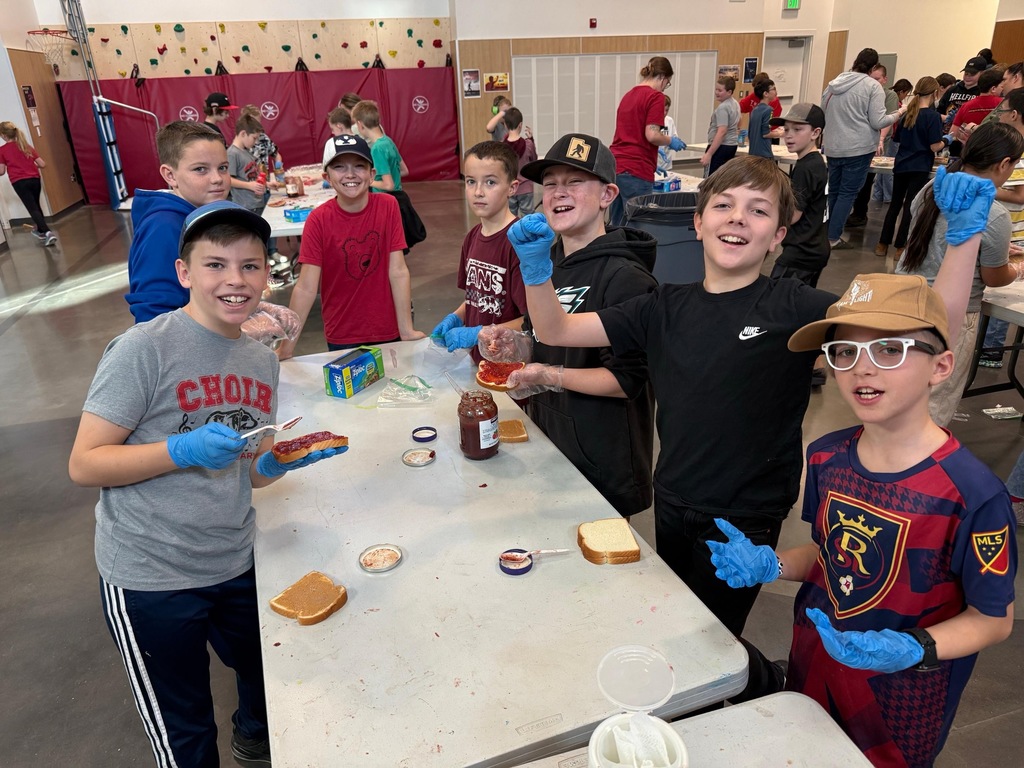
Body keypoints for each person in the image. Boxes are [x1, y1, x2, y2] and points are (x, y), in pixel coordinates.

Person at [707, 174, 1014, 765]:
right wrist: (774, 563)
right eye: (845, 351)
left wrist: (915, 647)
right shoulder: (827, 455)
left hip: (902, 699)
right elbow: (832, 555)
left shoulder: (971, 494)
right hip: (814, 663)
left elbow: (992, 620)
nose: (862, 369)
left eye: (890, 350)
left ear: (940, 366)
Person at [68, 200, 347, 768]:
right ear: (184, 273)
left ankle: (252, 735)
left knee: (264, 671)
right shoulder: (145, 349)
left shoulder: (259, 360)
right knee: (186, 731)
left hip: (233, 557)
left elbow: (246, 466)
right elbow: (85, 463)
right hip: (151, 575)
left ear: (267, 275)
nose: (234, 281)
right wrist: (179, 449)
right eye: (215, 264)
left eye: (250, 266)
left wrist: (267, 469)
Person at [509, 154, 836, 635]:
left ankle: (744, 690)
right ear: (699, 223)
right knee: (681, 618)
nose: (739, 218)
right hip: (675, 494)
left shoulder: (797, 306)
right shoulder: (664, 306)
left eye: (759, 210)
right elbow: (556, 328)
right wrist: (536, 268)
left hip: (747, 511)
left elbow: (915, 334)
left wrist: (961, 243)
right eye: (724, 205)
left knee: (716, 637)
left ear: (778, 237)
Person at [479, 133, 658, 518]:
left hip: (603, 456)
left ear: (608, 195)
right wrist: (516, 345)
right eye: (551, 184)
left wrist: (552, 374)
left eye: (575, 182)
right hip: (553, 439)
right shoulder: (547, 262)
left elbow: (628, 381)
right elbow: (543, 334)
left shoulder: (626, 277)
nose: (559, 192)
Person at [896, 122, 1023, 426]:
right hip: (950, 315)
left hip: (903, 299)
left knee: (901, 390)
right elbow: (993, 277)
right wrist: (1016, 269)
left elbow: (936, 240)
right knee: (934, 401)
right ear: (1004, 164)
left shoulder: (934, 187)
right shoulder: (993, 214)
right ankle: (917, 465)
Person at [278, 134, 424, 358]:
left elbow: (397, 270)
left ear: (371, 174)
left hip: (387, 328)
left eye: (359, 166)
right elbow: (306, 287)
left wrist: (406, 329)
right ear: (327, 176)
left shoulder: (388, 206)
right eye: (339, 167)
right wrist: (287, 346)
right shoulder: (318, 221)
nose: (350, 174)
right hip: (342, 333)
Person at [125, 120, 230, 323]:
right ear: (170, 175)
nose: (217, 178)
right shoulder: (164, 227)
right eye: (201, 169)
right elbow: (154, 315)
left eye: (223, 167)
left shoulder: (199, 215)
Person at [431, 141, 527, 359]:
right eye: (471, 182)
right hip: (479, 360)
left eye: (490, 182)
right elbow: (477, 298)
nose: (478, 192)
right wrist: (456, 316)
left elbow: (531, 320)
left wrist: (481, 333)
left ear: (512, 188)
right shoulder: (472, 237)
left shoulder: (519, 243)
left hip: (509, 364)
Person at [821, 48, 906, 249]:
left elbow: (823, 110)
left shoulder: (834, 84)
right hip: (858, 148)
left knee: (834, 191)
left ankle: (827, 234)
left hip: (833, 146)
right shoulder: (872, 87)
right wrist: (899, 113)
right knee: (847, 193)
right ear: (874, 67)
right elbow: (878, 121)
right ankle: (833, 237)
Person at [875, 77, 947, 259]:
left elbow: (898, 139)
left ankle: (882, 243)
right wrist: (947, 140)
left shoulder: (907, 114)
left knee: (894, 205)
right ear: (934, 93)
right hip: (920, 166)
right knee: (910, 206)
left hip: (902, 164)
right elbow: (934, 146)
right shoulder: (933, 117)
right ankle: (900, 247)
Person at [609, 56, 686, 226]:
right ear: (662, 78)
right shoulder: (655, 97)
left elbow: (629, 132)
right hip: (636, 169)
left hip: (617, 167)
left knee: (617, 224)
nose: (665, 87)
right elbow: (652, 134)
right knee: (638, 224)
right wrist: (669, 140)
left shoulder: (628, 95)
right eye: (667, 83)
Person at [768, 104, 830, 292]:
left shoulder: (806, 168)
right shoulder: (815, 162)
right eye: (786, 129)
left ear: (815, 132)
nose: (789, 135)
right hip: (814, 247)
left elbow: (793, 215)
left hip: (802, 252)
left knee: (776, 298)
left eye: (797, 129)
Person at [351, 99, 426, 254]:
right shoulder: (388, 141)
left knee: (388, 250)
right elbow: (404, 170)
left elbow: (388, 185)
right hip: (398, 201)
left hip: (385, 204)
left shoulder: (377, 149)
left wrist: (368, 180)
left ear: (360, 124)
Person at [847, 63, 901, 228]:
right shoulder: (864, 92)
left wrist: (880, 139)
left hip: (878, 144)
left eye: (877, 79)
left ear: (884, 79)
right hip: (860, 143)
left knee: (868, 178)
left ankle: (860, 213)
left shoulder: (889, 95)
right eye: (871, 78)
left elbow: (889, 119)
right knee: (857, 180)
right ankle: (856, 212)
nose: (873, 82)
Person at [0, 120, 56, 246]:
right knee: (36, 205)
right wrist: (30, 165)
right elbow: (42, 164)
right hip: (35, 179)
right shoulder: (25, 146)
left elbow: (1, 171)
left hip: (19, 182)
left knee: (32, 208)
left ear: (3, 135)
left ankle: (48, 232)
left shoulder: (2, 150)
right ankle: (41, 231)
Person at [227, 113, 268, 216]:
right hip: (246, 206)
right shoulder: (232, 153)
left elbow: (251, 177)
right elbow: (228, 180)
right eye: (254, 138)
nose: (256, 142)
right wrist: (249, 185)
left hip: (256, 203)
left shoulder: (246, 151)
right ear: (243, 134)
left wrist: (266, 184)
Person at [952, 68, 1005, 142]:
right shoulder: (1004, 104)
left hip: (971, 148)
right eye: (1002, 87)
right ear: (993, 89)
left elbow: (953, 133)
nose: (1003, 89)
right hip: (996, 147)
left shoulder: (966, 106)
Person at [702, 76, 741, 177]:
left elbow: (722, 131)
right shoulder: (735, 103)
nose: (716, 92)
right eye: (716, 89)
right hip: (731, 145)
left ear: (729, 92)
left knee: (712, 178)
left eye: (720, 90)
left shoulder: (723, 108)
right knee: (724, 177)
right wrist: (737, 131)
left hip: (721, 146)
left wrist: (709, 154)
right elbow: (739, 119)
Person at [502, 107, 537, 217]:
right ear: (520, 125)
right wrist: (531, 139)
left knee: (510, 217)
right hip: (526, 188)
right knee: (528, 217)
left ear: (505, 125)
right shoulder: (528, 144)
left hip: (509, 188)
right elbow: (534, 160)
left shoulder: (502, 147)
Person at [937, 57, 986, 124]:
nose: (968, 77)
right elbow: (939, 111)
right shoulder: (952, 90)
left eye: (972, 74)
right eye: (966, 73)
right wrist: (946, 118)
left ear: (982, 73)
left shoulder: (982, 93)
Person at [747, 79, 779, 160]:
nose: (776, 92)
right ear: (766, 93)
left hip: (753, 153)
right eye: (773, 89)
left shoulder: (754, 110)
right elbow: (766, 133)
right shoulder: (769, 110)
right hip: (764, 154)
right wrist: (780, 134)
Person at [656, 95, 679, 175]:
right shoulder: (651, 122)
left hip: (667, 164)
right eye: (662, 110)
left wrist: (674, 143)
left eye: (667, 110)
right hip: (655, 163)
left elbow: (674, 137)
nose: (664, 113)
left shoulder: (669, 120)